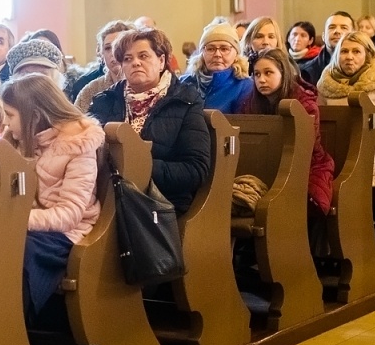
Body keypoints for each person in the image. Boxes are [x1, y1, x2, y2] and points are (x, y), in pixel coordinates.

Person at [1, 74, 104, 329]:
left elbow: (69, 214)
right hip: (26, 225)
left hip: (68, 232)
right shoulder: (17, 138)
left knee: (20, 251)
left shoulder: (78, 146)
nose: (5, 122)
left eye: (10, 115)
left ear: (34, 115)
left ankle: (13, 331)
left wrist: (16, 220)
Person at [87, 27, 211, 214]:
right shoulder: (104, 101)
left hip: (158, 204)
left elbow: (195, 170)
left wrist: (139, 168)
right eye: (127, 59)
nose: (135, 63)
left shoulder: (185, 101)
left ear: (161, 61)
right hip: (106, 198)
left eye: (143, 56)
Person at [236, 49, 334, 214]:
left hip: (306, 164)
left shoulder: (303, 103)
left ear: (283, 73)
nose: (262, 80)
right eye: (257, 74)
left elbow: (308, 145)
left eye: (268, 73)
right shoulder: (249, 102)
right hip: (263, 163)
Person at [316, 30, 375, 185]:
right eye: (344, 51)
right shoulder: (326, 83)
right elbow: (320, 126)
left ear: (367, 55)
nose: (349, 56)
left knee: (350, 180)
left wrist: (361, 145)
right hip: (333, 154)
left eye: (356, 51)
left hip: (372, 153)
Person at [186, 22, 254, 112]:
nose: (217, 54)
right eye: (210, 49)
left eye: (224, 49)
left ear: (236, 54)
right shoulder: (186, 83)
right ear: (202, 53)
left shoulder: (245, 86)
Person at [74, 20, 133, 112]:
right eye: (108, 48)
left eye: (119, 45)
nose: (114, 53)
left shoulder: (149, 87)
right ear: (101, 54)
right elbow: (76, 123)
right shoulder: (90, 91)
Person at [301, 11, 354, 84]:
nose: (337, 31)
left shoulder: (367, 69)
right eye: (331, 27)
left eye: (344, 28)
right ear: (323, 36)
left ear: (354, 36)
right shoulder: (307, 72)